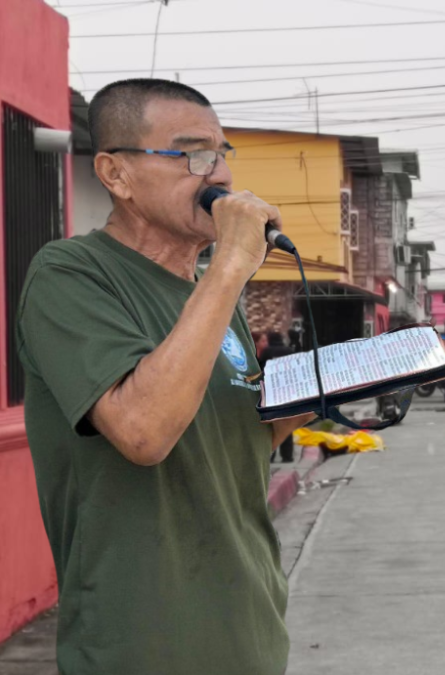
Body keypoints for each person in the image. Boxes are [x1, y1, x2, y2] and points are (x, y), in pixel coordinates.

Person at [16, 79, 314, 674]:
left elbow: (229, 447)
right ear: (116, 174)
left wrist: (312, 398)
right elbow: (144, 432)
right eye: (192, 155)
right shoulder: (70, 274)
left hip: (250, 632)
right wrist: (231, 264)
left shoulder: (211, 295)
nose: (218, 174)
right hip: (142, 649)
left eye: (222, 154)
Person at [260, 332, 297, 463]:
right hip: (287, 391)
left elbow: (260, 367)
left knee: (271, 424)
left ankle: (271, 455)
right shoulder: (289, 351)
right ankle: (287, 456)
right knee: (286, 424)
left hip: (271, 390)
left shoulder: (267, 352)